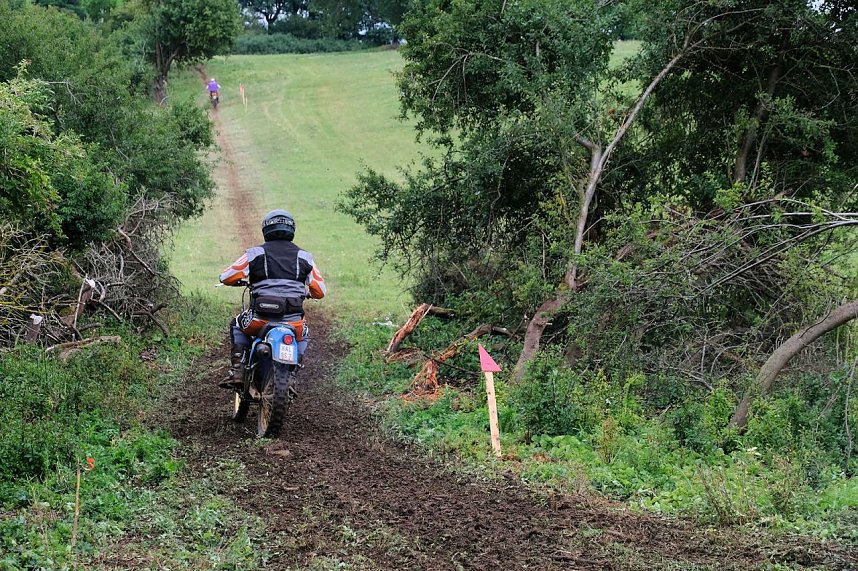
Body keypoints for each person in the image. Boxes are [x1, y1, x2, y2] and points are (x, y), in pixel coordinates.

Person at [218, 210, 326, 390]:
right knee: (304, 334)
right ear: (292, 229)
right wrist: (308, 292)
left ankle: (238, 370)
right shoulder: (305, 257)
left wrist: (238, 281)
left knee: (237, 324)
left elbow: (227, 276)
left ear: (266, 229)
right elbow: (320, 290)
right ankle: (291, 373)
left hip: (259, 319)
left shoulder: (255, 253)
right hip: (293, 322)